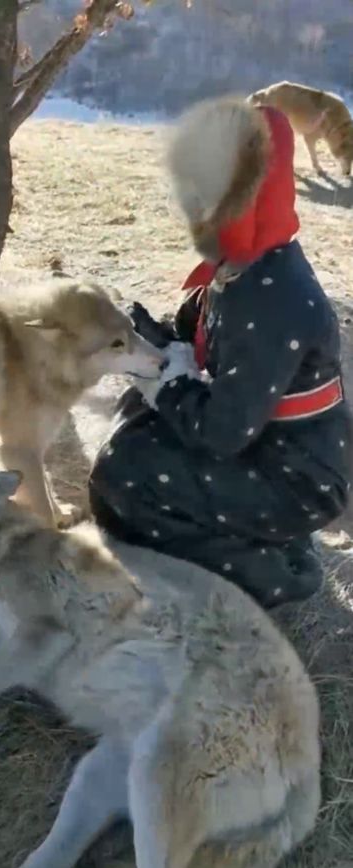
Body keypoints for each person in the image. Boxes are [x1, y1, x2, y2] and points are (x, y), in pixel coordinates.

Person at [89, 96, 352, 609]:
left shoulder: (275, 296)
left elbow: (222, 432)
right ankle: (241, 535)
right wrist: (143, 343)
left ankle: (279, 574)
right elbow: (192, 334)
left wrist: (168, 384)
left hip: (297, 476)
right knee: (134, 422)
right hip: (266, 444)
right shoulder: (243, 265)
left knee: (126, 469)